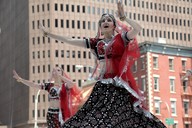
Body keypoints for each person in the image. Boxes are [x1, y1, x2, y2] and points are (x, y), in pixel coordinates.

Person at [40, 1, 166, 127]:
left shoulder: (121, 38)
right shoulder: (96, 43)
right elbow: (71, 40)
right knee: (90, 116)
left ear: (113, 25)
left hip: (119, 87)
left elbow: (138, 29)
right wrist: (49, 34)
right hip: (102, 87)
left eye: (108, 20)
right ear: (100, 27)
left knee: (126, 118)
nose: (105, 22)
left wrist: (124, 17)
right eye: (102, 21)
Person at [13, 67, 81, 128]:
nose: (55, 71)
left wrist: (60, 76)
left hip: (61, 114)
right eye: (54, 70)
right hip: (51, 113)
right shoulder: (49, 85)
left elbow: (72, 84)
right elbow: (34, 85)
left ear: (62, 73)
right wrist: (21, 79)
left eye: (58, 70)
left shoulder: (65, 85)